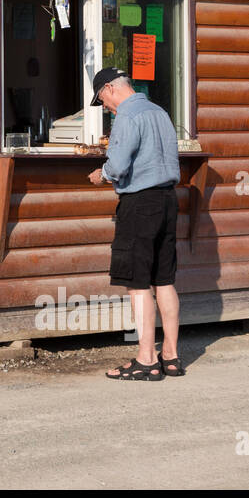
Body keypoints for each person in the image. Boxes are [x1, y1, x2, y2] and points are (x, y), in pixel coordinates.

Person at [85, 67, 184, 380]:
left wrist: (102, 175)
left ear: (111, 89)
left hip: (140, 203)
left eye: (102, 100)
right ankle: (170, 355)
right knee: (164, 280)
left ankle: (146, 359)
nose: (105, 107)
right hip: (169, 200)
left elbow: (118, 163)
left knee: (138, 283)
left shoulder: (127, 116)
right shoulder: (160, 112)